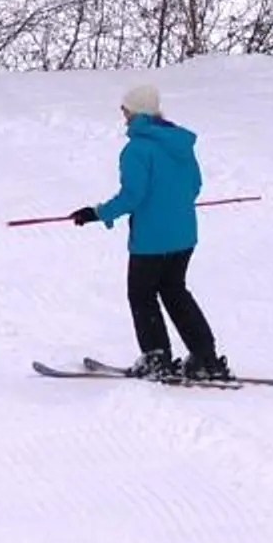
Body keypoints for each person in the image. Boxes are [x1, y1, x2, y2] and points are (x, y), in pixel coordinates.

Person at [70, 83, 230, 382]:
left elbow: (132, 196)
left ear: (137, 112)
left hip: (151, 240)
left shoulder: (137, 149)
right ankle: (205, 357)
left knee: (142, 295)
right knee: (175, 292)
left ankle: (157, 359)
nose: (123, 116)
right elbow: (195, 186)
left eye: (126, 110)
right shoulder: (179, 144)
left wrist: (96, 213)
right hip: (183, 236)